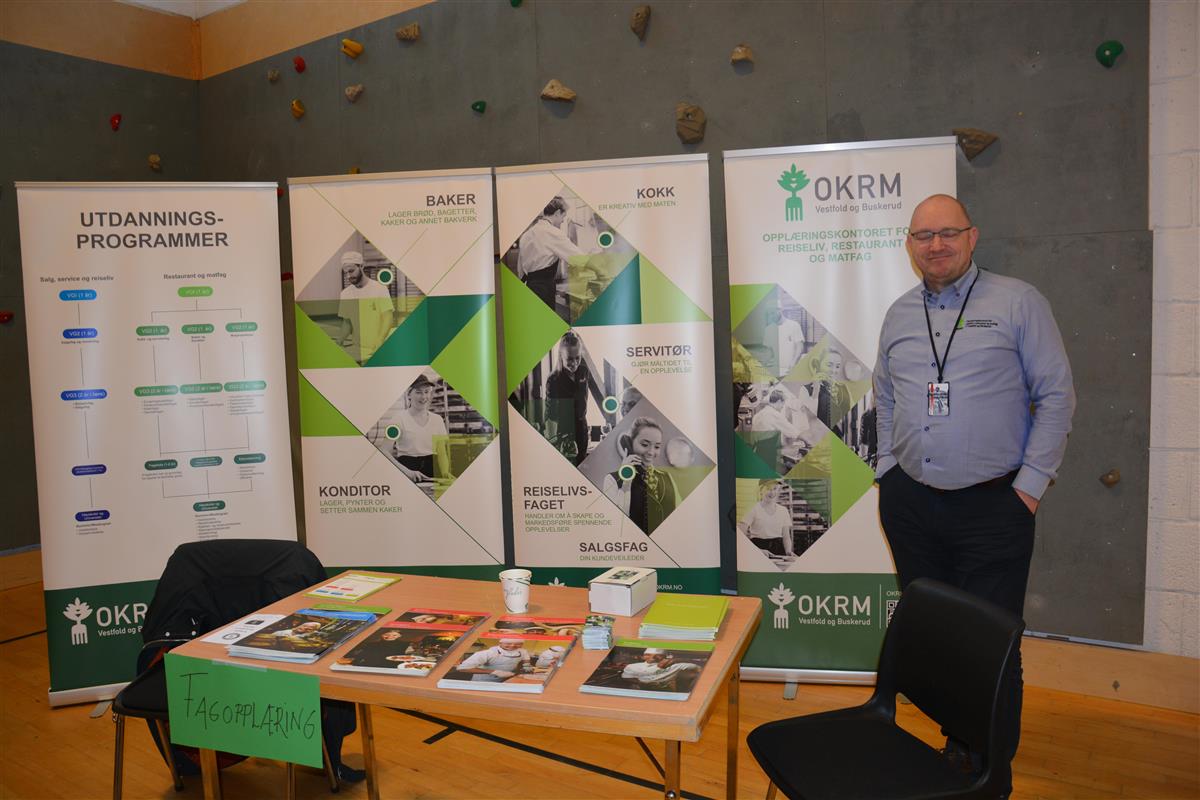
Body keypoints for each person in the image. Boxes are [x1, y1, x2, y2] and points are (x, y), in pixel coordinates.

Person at [873, 194, 1075, 793]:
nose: (936, 245)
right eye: (923, 235)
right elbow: (885, 396)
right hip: (912, 504)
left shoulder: (1018, 301)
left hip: (994, 507)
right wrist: (888, 471)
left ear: (972, 236)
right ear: (910, 245)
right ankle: (954, 754)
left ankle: (990, 776)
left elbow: (1057, 397)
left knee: (991, 644)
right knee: (936, 635)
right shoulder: (899, 314)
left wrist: (1028, 489)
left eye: (948, 233)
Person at [601, 417, 679, 534]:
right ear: (630, 445)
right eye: (645, 444)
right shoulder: (612, 480)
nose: (651, 452)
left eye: (657, 446)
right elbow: (616, 524)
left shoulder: (668, 478)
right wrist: (626, 482)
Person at [516, 196, 584, 309]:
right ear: (557, 213)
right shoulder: (553, 233)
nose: (563, 220)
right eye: (563, 216)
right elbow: (578, 258)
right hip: (544, 289)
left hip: (529, 287)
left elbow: (520, 270)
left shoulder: (526, 235)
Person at [389, 375, 449, 483]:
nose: (423, 397)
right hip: (407, 471)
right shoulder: (397, 420)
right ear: (409, 394)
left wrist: (445, 474)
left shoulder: (438, 420)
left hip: (433, 473)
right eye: (418, 392)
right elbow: (384, 451)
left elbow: (442, 453)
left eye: (426, 392)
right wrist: (407, 472)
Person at [337, 250, 393, 362]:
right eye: (346, 272)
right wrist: (340, 340)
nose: (348, 276)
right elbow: (347, 323)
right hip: (358, 348)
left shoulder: (380, 289)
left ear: (361, 266)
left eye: (351, 271)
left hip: (378, 347)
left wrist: (380, 341)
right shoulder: (345, 294)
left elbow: (388, 318)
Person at [545, 332, 591, 464]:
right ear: (561, 356)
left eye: (578, 358)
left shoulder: (583, 372)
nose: (575, 363)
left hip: (582, 431)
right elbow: (551, 414)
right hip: (563, 435)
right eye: (570, 359)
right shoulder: (553, 379)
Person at [738, 480, 794, 558]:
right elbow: (739, 535)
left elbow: (786, 537)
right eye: (768, 489)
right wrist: (758, 551)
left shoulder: (783, 510)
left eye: (775, 489)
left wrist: (788, 552)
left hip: (779, 552)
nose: (772, 492)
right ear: (761, 490)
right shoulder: (753, 509)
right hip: (759, 550)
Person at [620, 648, 701, 691]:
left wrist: (677, 660)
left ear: (665, 656)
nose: (653, 657)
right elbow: (626, 678)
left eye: (658, 655)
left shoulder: (675, 665)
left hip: (667, 690)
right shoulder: (632, 666)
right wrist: (640, 683)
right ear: (643, 656)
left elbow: (699, 667)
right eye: (648, 654)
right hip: (642, 689)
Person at [455, 637, 532, 682]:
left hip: (506, 679)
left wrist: (526, 667)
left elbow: (526, 660)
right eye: (508, 643)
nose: (513, 645)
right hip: (483, 681)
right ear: (500, 643)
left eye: (518, 643)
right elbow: (462, 668)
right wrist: (495, 672)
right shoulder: (488, 653)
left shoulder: (522, 651)